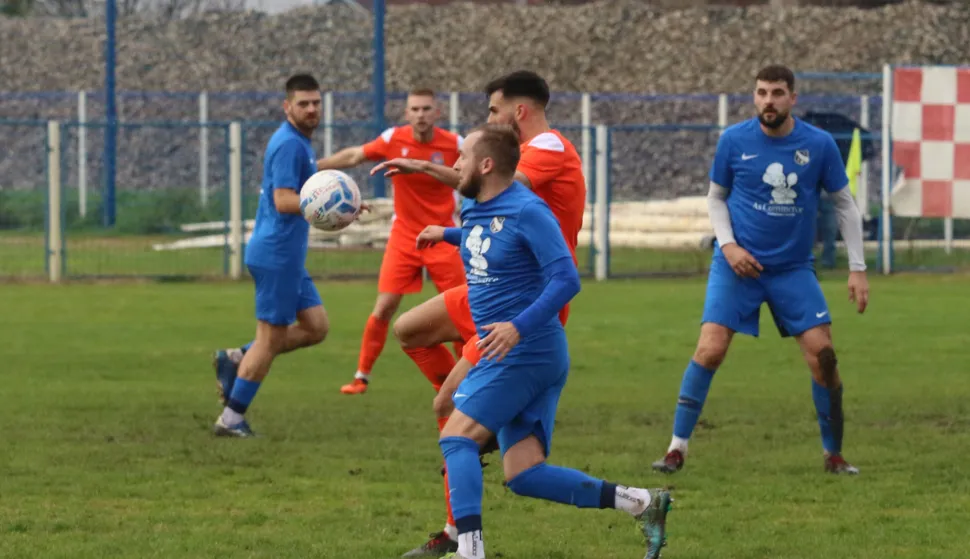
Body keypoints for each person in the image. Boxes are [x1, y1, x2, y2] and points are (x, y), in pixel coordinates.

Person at [420, 123, 672, 559]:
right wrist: (445, 234)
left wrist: (517, 326)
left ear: (486, 164)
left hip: (524, 351)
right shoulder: (478, 206)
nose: (455, 164)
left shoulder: (529, 210)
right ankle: (642, 503)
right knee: (523, 474)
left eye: (462, 156)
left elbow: (565, 278)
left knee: (457, 437)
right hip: (520, 353)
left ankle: (470, 551)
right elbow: (491, 239)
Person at [369, 71, 587, 557]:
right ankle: (475, 408)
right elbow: (487, 198)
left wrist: (427, 169)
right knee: (409, 329)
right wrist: (442, 221)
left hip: (523, 303)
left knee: (448, 413)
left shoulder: (547, 147)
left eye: (493, 111)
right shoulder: (524, 154)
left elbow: (493, 190)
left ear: (519, 111)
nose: (489, 118)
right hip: (490, 283)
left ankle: (457, 533)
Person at [650, 64, 870, 475]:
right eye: (762, 92)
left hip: (792, 269)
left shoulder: (819, 144)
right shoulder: (734, 141)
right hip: (738, 267)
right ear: (754, 97)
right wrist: (728, 246)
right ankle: (676, 449)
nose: (769, 100)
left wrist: (857, 268)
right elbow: (716, 199)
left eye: (777, 93)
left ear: (793, 98)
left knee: (823, 356)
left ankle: (834, 455)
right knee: (710, 349)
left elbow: (844, 203)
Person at [315, 88, 467, 396]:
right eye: (415, 109)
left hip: (443, 236)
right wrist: (315, 168)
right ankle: (361, 377)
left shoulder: (455, 145)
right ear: (406, 113)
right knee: (384, 306)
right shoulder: (393, 139)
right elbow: (355, 155)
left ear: (437, 113)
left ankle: (470, 377)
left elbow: (474, 175)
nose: (421, 114)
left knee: (458, 310)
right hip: (405, 236)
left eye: (427, 109)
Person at [210, 74, 335, 437]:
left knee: (316, 327)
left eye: (315, 102)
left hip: (288, 256)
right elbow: (283, 200)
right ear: (287, 107)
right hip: (277, 254)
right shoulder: (289, 145)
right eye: (303, 103)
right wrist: (326, 207)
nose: (311, 109)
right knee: (269, 340)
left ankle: (236, 357)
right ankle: (231, 419)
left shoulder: (301, 143)